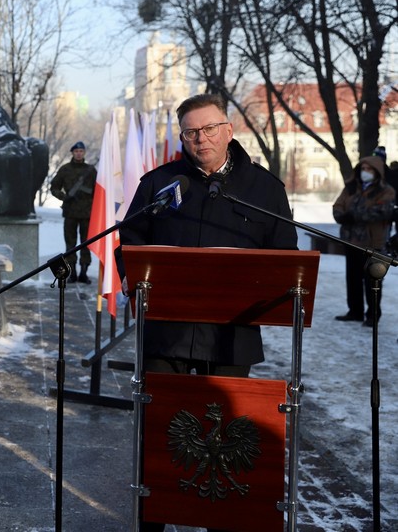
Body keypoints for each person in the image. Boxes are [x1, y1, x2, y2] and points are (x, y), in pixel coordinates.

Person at [116, 94, 298, 532]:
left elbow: (284, 256)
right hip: (168, 332)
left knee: (227, 437)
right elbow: (131, 239)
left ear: (229, 129)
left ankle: (222, 519)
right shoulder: (159, 183)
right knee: (161, 431)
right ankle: (154, 519)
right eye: (192, 132)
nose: (202, 139)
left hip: (232, 334)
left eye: (210, 129)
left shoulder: (265, 189)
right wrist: (130, 274)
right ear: (183, 137)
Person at [332, 156, 395, 327]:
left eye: (369, 169)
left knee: (373, 280)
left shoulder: (386, 190)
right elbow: (338, 207)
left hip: (374, 242)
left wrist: (354, 214)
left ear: (376, 171)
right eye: (363, 168)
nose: (364, 172)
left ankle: (373, 315)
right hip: (351, 241)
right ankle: (355, 311)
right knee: (352, 278)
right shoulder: (351, 188)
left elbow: (383, 211)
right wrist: (344, 215)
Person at [50, 140, 97, 283]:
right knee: (70, 244)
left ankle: (84, 272)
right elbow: (54, 188)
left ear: (84, 153)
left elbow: (97, 191)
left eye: (81, 151)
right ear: (72, 153)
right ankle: (72, 272)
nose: (79, 153)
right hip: (70, 212)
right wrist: (64, 197)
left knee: (86, 243)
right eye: (76, 151)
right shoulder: (65, 169)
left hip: (87, 214)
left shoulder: (91, 170)